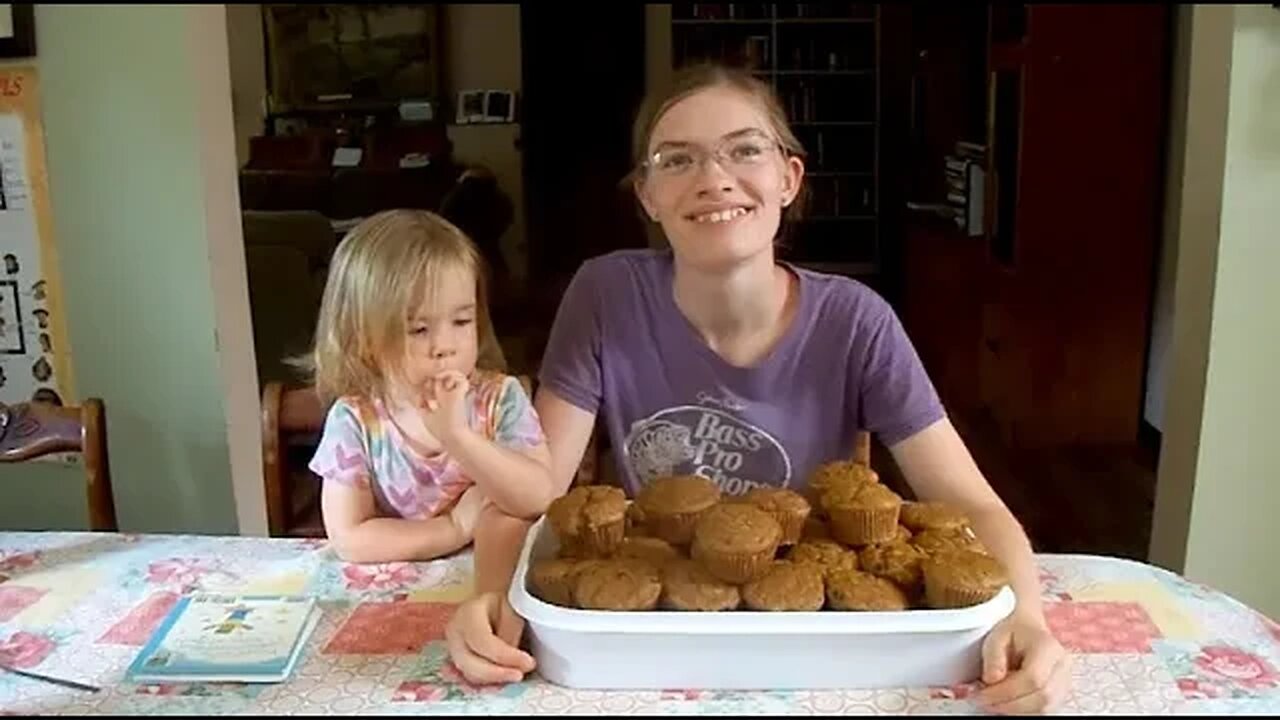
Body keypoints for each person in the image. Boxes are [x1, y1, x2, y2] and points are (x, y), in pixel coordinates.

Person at [445, 64, 1070, 714]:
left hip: (815, 644)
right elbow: (529, 493)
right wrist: (490, 597)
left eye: (745, 150)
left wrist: (1030, 618)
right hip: (652, 637)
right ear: (648, 197)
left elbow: (973, 506)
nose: (714, 178)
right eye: (677, 159)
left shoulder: (857, 322)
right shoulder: (604, 296)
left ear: (788, 178)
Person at [302, 210, 555, 573]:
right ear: (363, 340)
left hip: (495, 583)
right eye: (419, 329)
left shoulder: (501, 400)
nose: (445, 345)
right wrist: (451, 529)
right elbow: (350, 537)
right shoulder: (356, 421)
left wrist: (458, 437)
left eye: (462, 321)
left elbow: (539, 497)